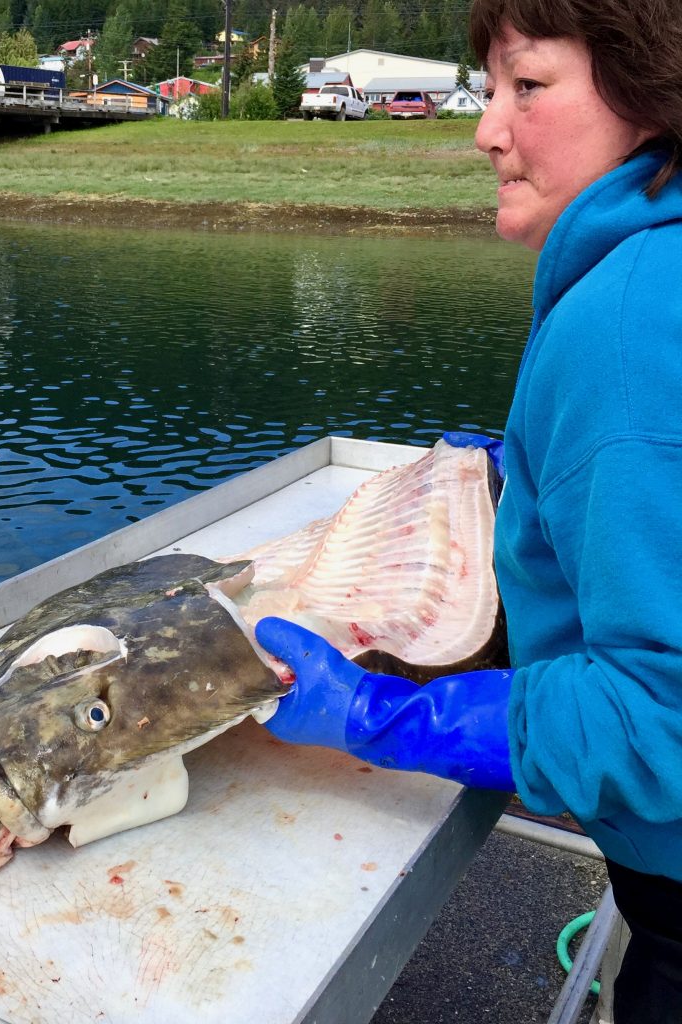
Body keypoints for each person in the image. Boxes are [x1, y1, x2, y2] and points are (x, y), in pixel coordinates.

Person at [255, 1, 682, 1020]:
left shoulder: (620, 326)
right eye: (490, 89)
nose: (487, 129)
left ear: (649, 94)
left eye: (527, 86)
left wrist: (382, 715)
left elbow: (659, 724)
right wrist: (531, 483)